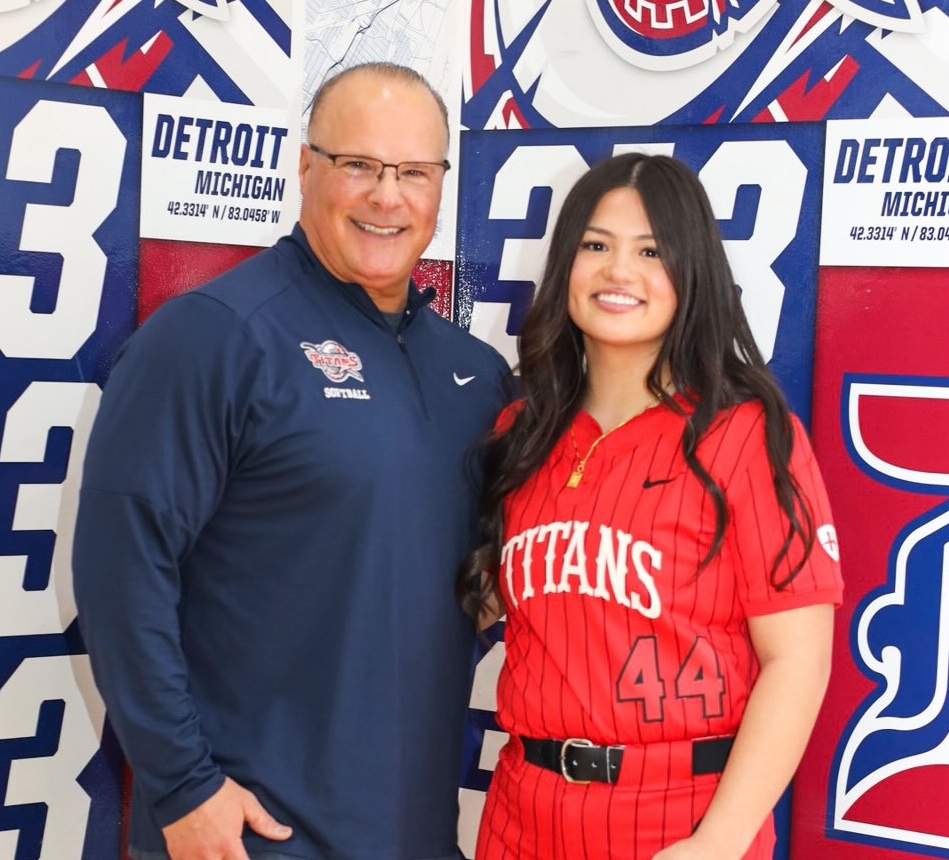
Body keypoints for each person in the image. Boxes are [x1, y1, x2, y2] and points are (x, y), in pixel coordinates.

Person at [73, 62, 511, 860]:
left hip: (413, 833)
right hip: (253, 836)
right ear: (305, 165)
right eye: (359, 165)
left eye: (413, 172)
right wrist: (183, 787)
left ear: (441, 185)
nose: (388, 196)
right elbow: (120, 571)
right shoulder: (211, 336)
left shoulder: (475, 377)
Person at [458, 153, 843, 860]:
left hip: (678, 819)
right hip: (523, 810)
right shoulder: (522, 435)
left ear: (690, 273)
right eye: (595, 246)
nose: (617, 271)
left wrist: (718, 843)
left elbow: (797, 661)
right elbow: (473, 606)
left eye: (650, 251)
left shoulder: (748, 434)